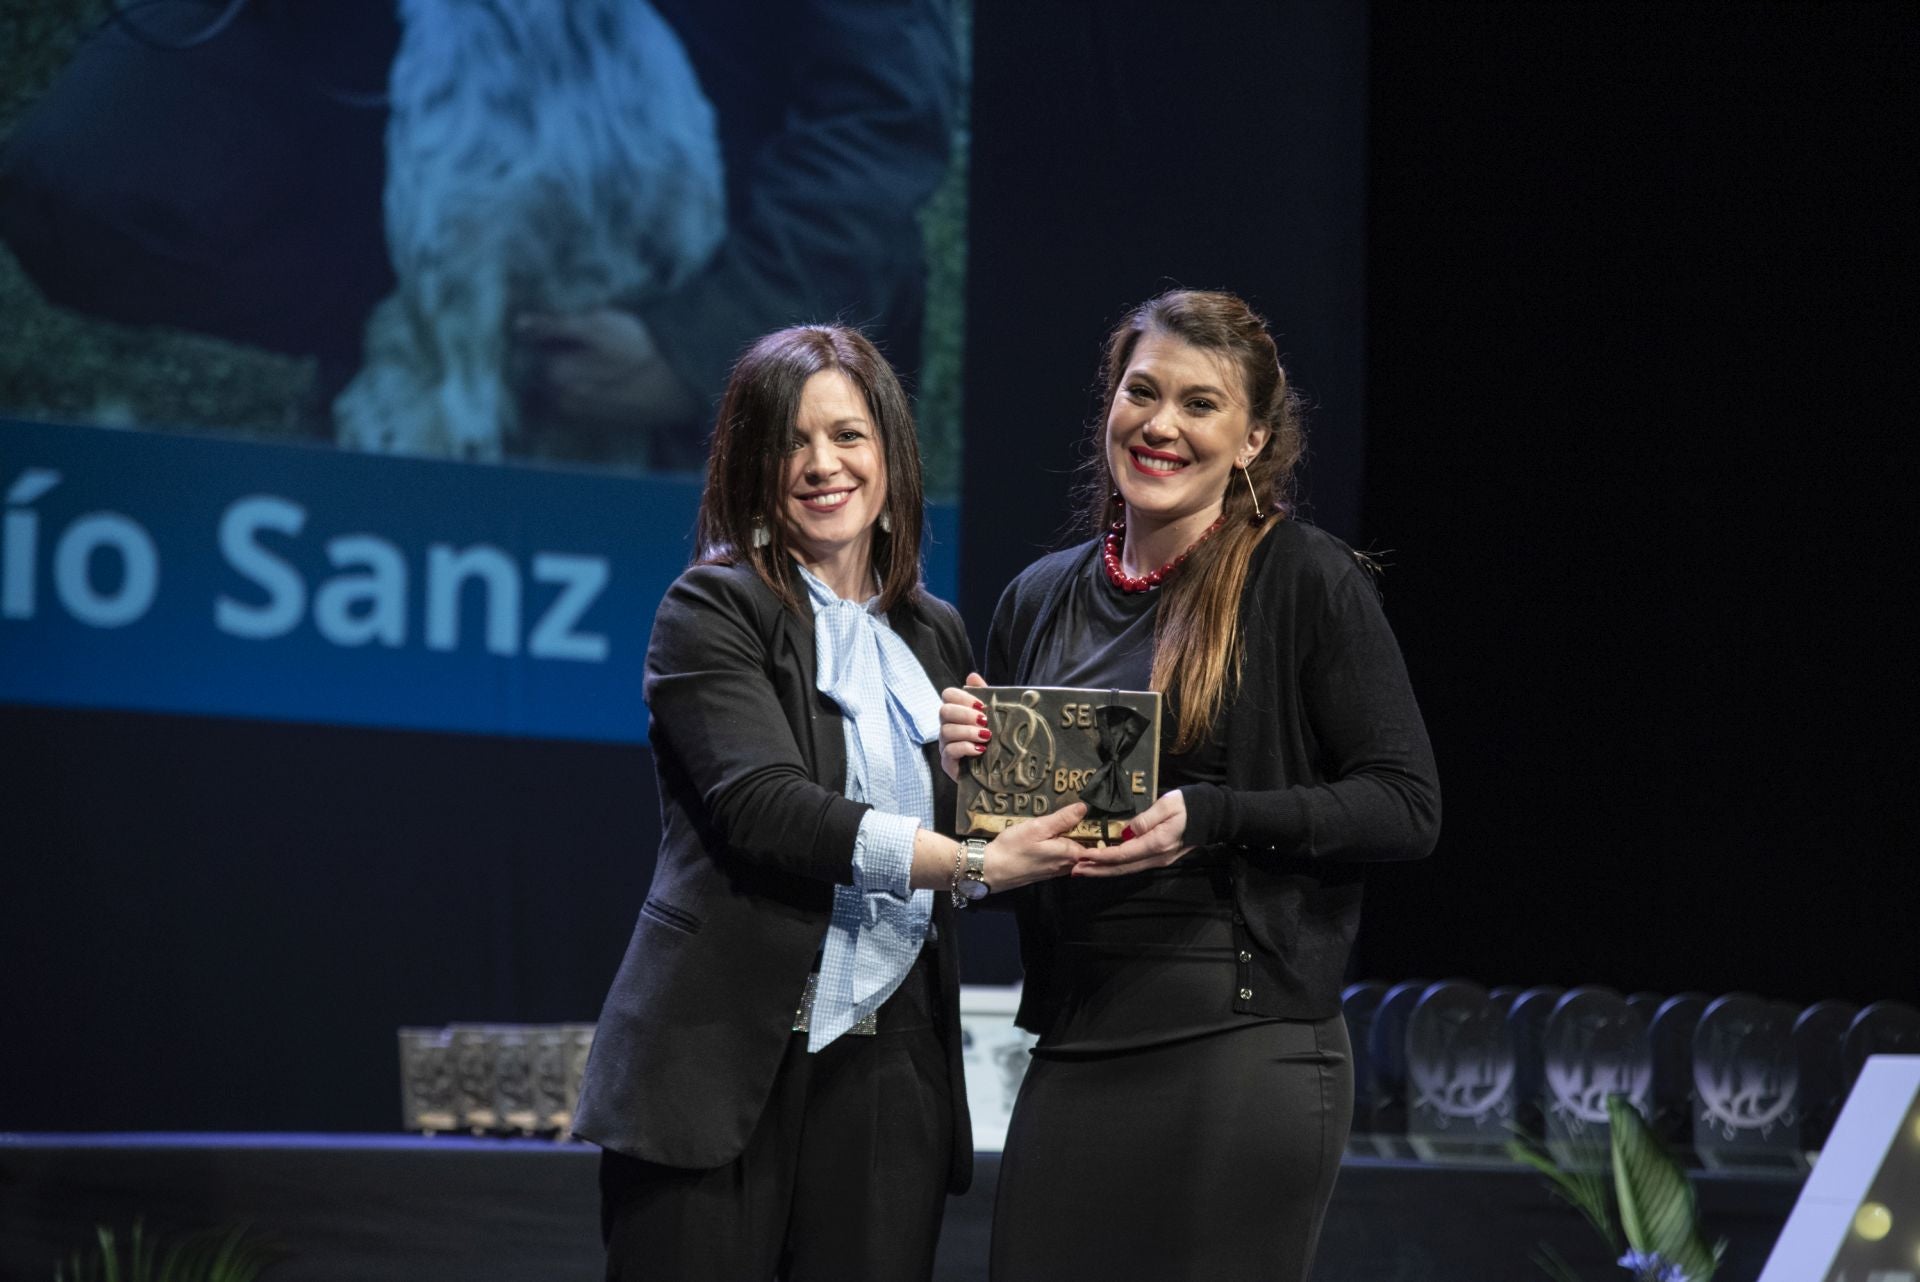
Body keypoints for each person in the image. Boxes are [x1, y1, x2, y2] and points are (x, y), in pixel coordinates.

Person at [938, 290, 1441, 1281]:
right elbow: (1002, 854)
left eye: (1200, 404)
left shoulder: (1303, 580)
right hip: (1079, 1035)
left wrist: (1213, 816)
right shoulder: (1038, 598)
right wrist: (968, 775)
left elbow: (1405, 803)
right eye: (1143, 391)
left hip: (1240, 1040)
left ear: (1252, 439)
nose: (1161, 424)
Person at [571, 323, 1085, 1282]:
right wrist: (970, 861)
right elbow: (768, 808)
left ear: (889, 452)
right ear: (752, 468)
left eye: (847, 436)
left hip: (890, 1073)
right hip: (718, 1059)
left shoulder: (934, 633)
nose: (821, 464)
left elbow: (955, 833)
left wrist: (982, 798)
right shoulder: (713, 606)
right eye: (791, 442)